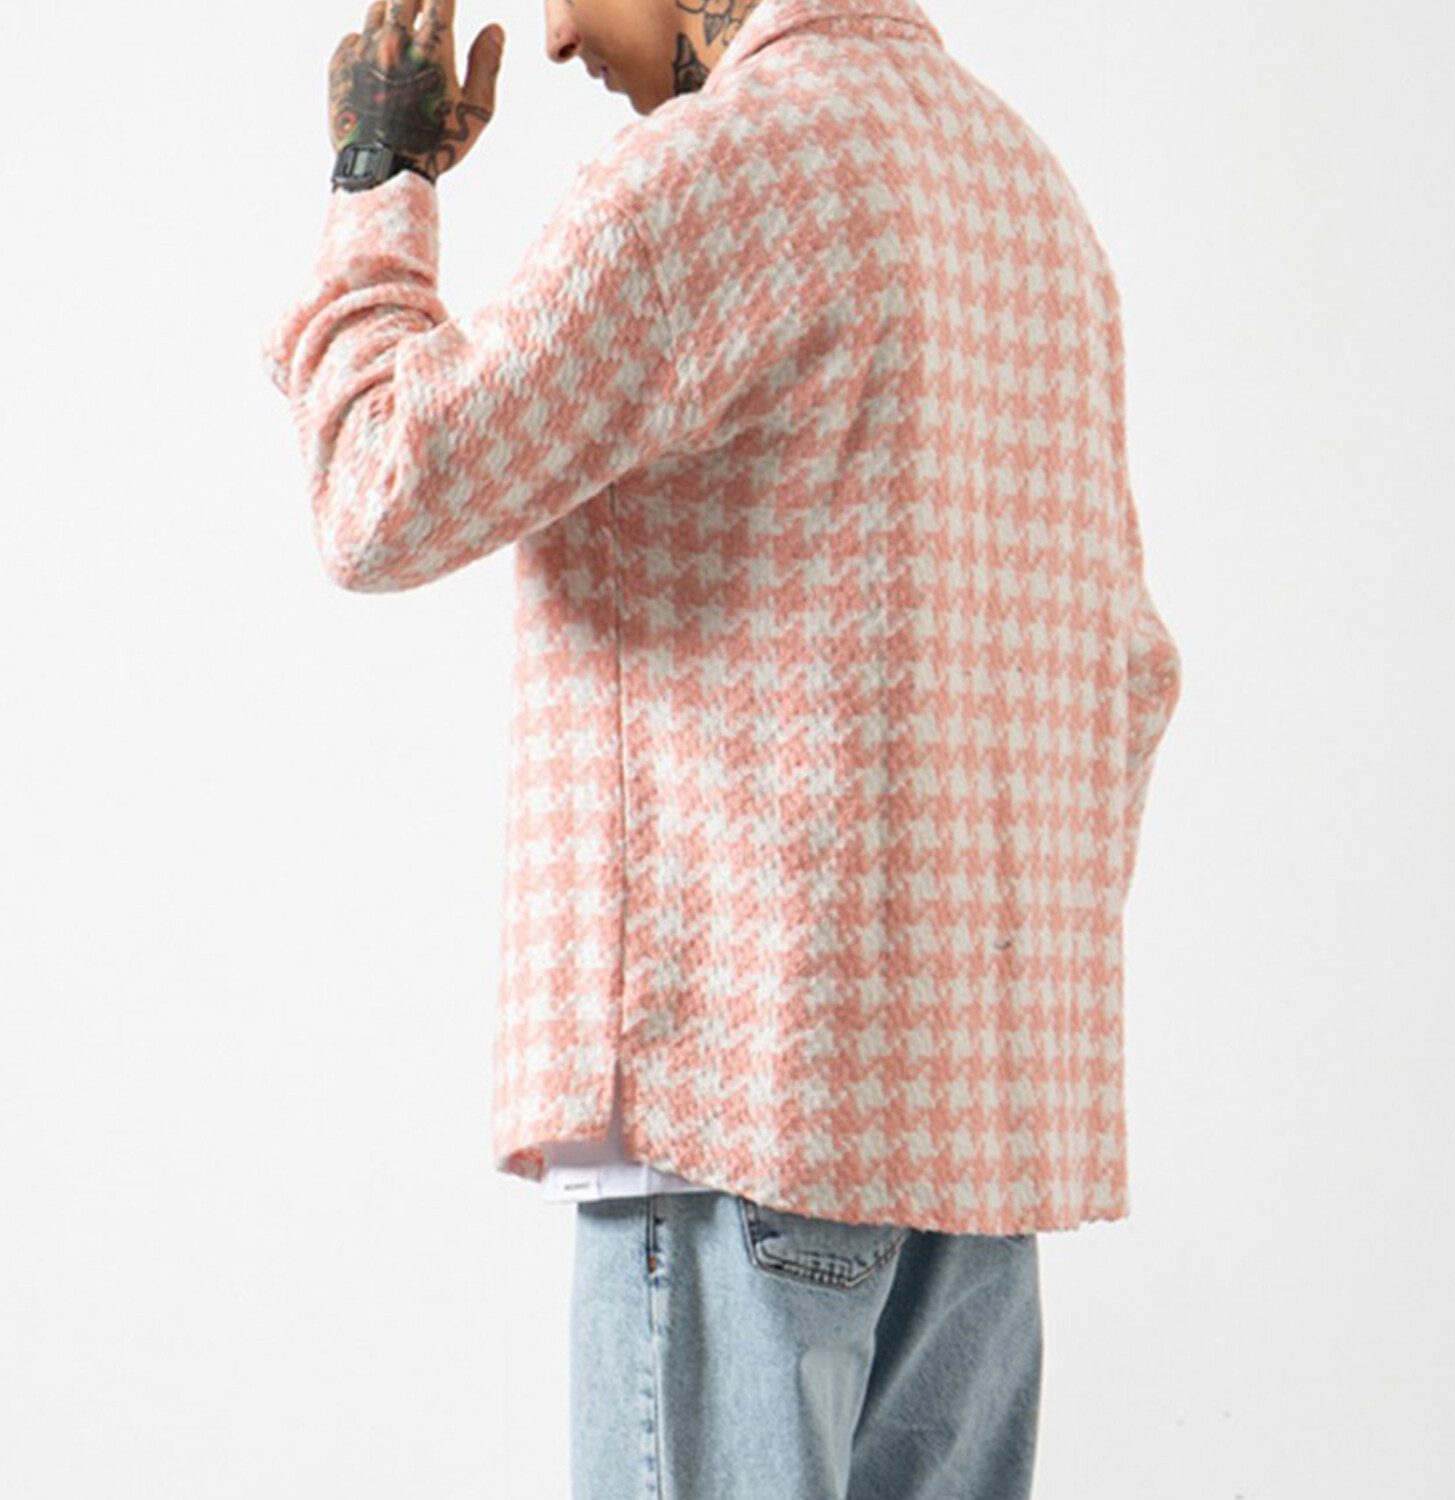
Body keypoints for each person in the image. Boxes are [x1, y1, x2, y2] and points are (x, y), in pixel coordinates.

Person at [261, 2, 1185, 1496]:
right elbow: (1127, 674)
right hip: (982, 1158)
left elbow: (381, 491)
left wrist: (381, 178)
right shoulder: (1030, 200)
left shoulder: (716, 173)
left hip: (743, 1113)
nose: (555, 35)